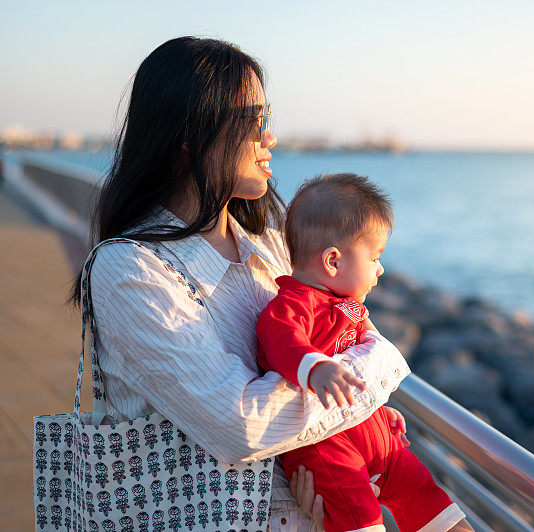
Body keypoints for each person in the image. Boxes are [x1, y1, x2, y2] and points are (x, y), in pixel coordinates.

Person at [69, 36, 409, 531]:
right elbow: (243, 425)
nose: (268, 138)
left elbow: (353, 326)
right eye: (252, 122)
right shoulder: (131, 271)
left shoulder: (270, 246)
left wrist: (313, 464)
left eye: (265, 120)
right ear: (190, 136)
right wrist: (375, 379)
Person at [258, 173, 472, 532]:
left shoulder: (348, 307)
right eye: (374, 257)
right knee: (362, 520)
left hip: (372, 434)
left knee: (429, 499)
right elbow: (281, 340)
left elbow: (361, 372)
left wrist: (377, 407)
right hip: (327, 448)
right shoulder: (294, 303)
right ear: (333, 261)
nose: (381, 269)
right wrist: (315, 369)